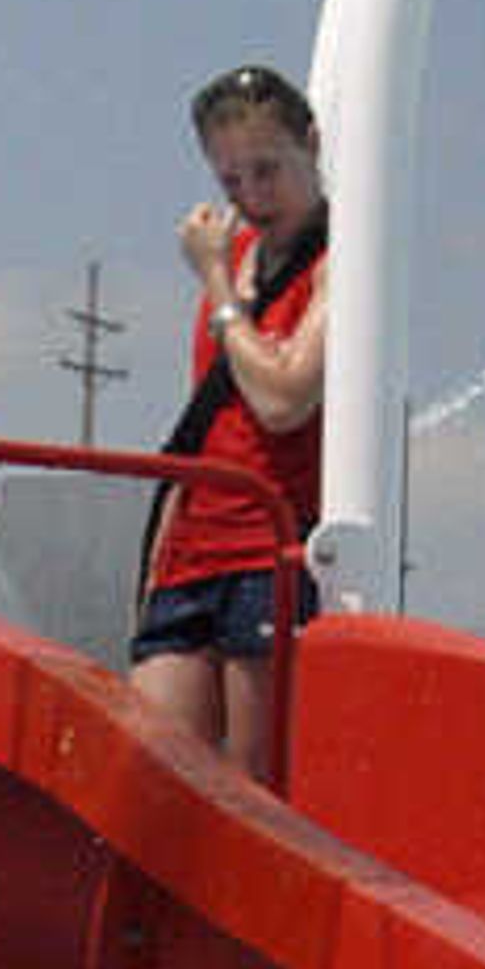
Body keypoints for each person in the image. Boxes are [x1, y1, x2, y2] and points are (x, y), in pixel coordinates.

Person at [129, 62, 326, 764]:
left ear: (312, 143)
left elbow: (282, 399)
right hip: (190, 550)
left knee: (251, 798)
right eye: (231, 181)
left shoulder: (335, 263)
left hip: (267, 550)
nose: (251, 197)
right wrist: (158, 554)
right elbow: (205, 421)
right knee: (154, 781)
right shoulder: (234, 258)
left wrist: (216, 283)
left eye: (267, 172)